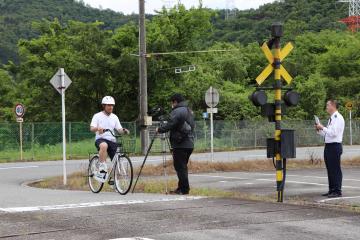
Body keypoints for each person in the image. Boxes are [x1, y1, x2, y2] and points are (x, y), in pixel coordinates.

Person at [157, 94, 195, 195]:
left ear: (175, 102)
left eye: (172, 102)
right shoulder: (189, 110)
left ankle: (184, 190)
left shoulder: (177, 111)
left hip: (180, 144)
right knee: (183, 167)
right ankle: (181, 188)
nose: (171, 105)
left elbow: (170, 124)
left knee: (180, 167)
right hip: (189, 143)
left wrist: (160, 129)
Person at [90, 96, 130, 182]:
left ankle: (113, 181)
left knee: (116, 161)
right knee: (104, 146)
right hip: (101, 139)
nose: (111, 107)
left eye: (112, 105)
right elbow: (91, 128)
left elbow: (119, 129)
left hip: (112, 140)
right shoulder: (97, 116)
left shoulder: (114, 117)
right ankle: (101, 169)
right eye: (108, 105)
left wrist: (124, 131)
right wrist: (97, 128)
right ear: (104, 106)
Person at [315, 100, 345, 198]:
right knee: (330, 169)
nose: (326, 107)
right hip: (329, 146)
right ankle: (332, 190)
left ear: (333, 106)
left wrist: (322, 127)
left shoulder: (338, 117)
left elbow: (333, 133)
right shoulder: (331, 118)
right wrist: (320, 130)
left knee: (335, 169)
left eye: (328, 105)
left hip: (334, 146)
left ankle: (337, 191)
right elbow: (328, 134)